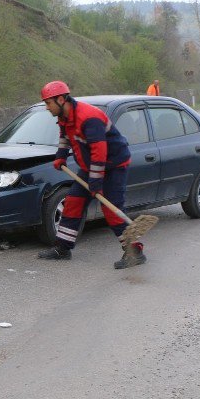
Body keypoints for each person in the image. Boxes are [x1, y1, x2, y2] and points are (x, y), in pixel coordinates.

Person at [37, 80, 147, 269]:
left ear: (61, 99)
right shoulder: (65, 117)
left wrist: (95, 181)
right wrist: (61, 156)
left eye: (48, 103)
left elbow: (99, 151)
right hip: (91, 166)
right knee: (73, 202)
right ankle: (63, 248)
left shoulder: (89, 118)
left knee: (111, 208)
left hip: (113, 166)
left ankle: (134, 252)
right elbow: (65, 136)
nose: (47, 107)